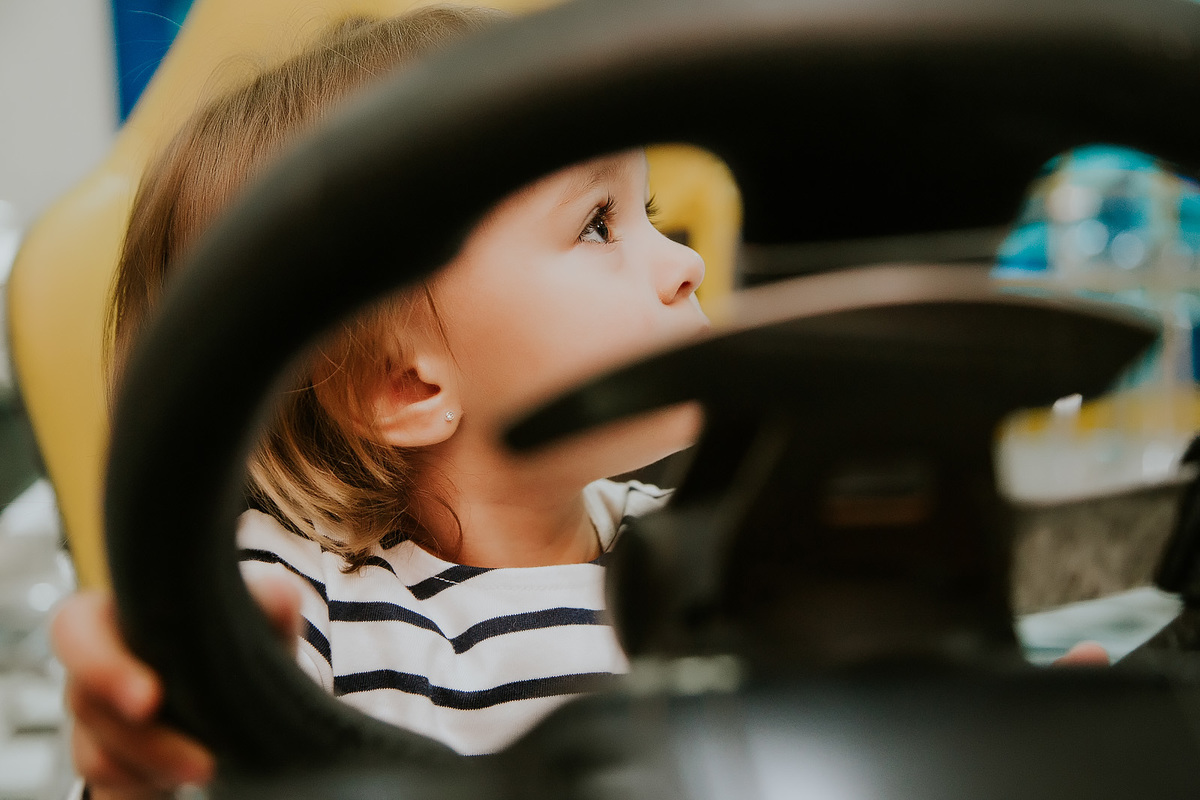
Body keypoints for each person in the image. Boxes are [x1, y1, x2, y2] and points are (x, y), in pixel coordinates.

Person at [51, 6, 709, 798]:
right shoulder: (296, 604)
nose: (689, 264)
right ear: (407, 386)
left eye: (650, 212)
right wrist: (151, 759)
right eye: (599, 225)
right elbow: (180, 750)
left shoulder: (712, 538)